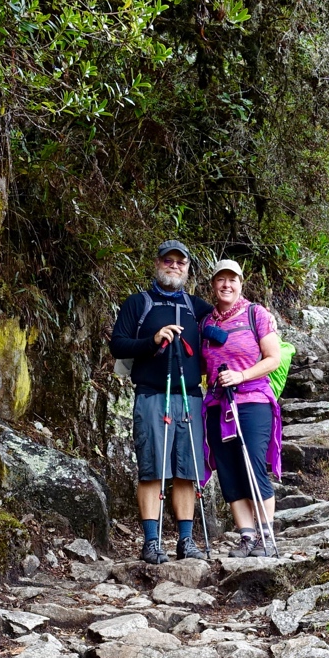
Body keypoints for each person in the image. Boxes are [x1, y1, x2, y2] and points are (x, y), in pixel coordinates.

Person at [109, 240, 213, 563]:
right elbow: (118, 345)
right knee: (153, 470)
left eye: (180, 262)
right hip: (152, 395)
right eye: (168, 260)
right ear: (157, 263)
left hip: (191, 397)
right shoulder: (139, 303)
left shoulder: (199, 309)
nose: (174, 266)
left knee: (186, 471)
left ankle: (186, 541)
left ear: (187, 269)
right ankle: (152, 542)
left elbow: (225, 329)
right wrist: (152, 341)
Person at [199, 260, 283, 557]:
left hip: (252, 399)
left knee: (253, 464)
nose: (226, 285)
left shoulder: (255, 314)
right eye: (220, 280)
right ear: (212, 285)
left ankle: (266, 536)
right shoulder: (206, 322)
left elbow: (273, 357)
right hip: (217, 403)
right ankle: (246, 537)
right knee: (228, 468)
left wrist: (242, 375)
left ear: (241, 283)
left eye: (232, 280)